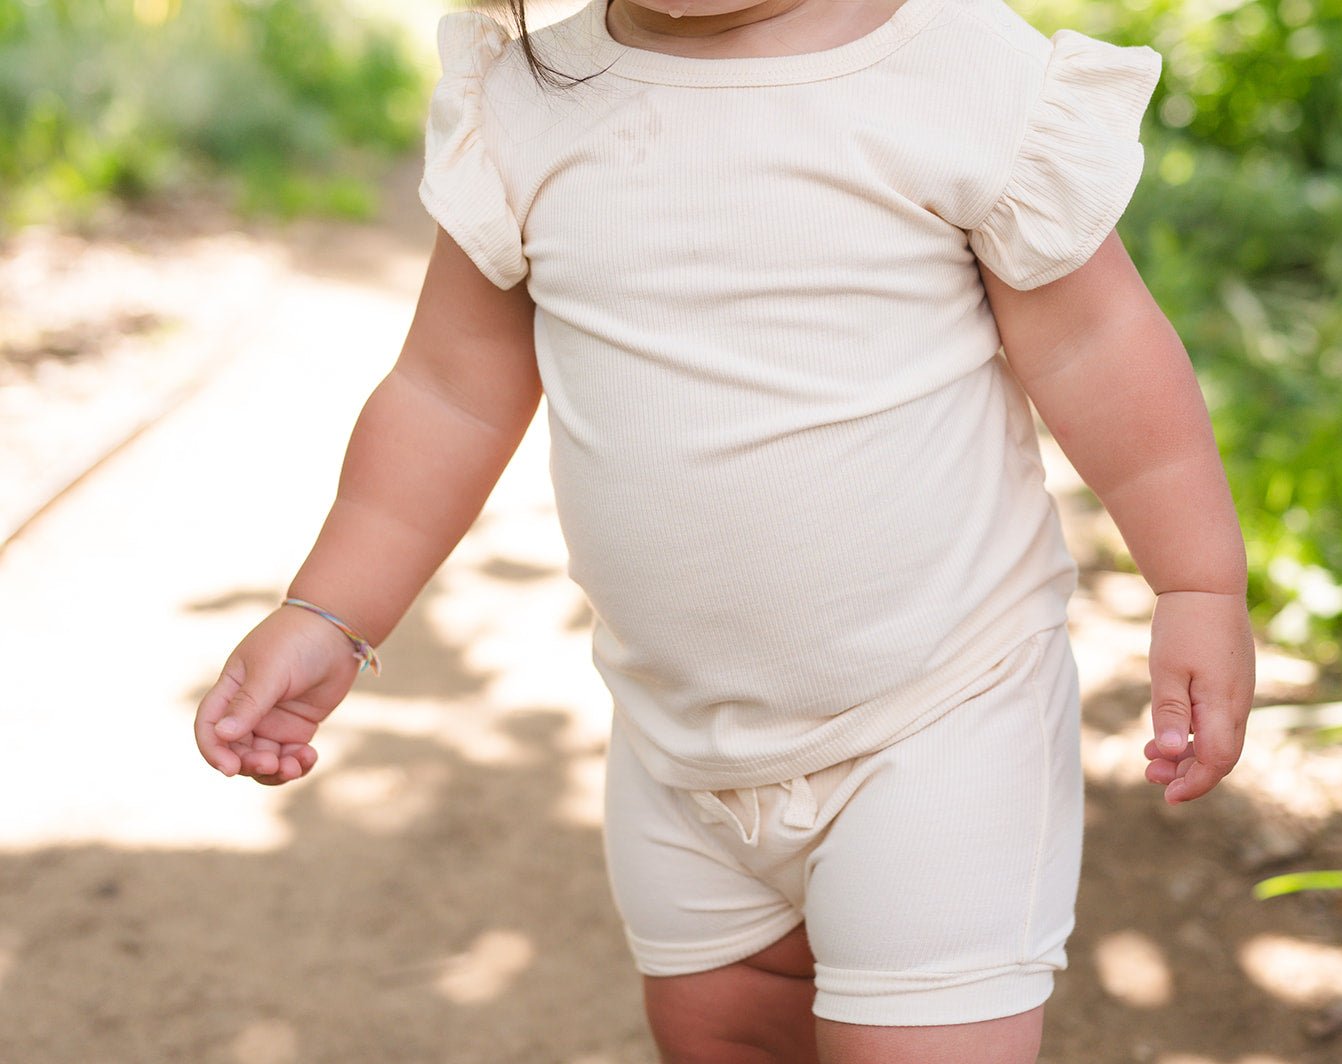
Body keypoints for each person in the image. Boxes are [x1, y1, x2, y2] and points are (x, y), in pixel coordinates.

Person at [193, 0, 1255, 1059]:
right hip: (676, 742)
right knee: (719, 1030)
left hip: (941, 716)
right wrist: (329, 608)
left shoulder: (957, 67)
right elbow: (446, 395)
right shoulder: (526, 102)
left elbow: (1096, 349)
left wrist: (1197, 584)